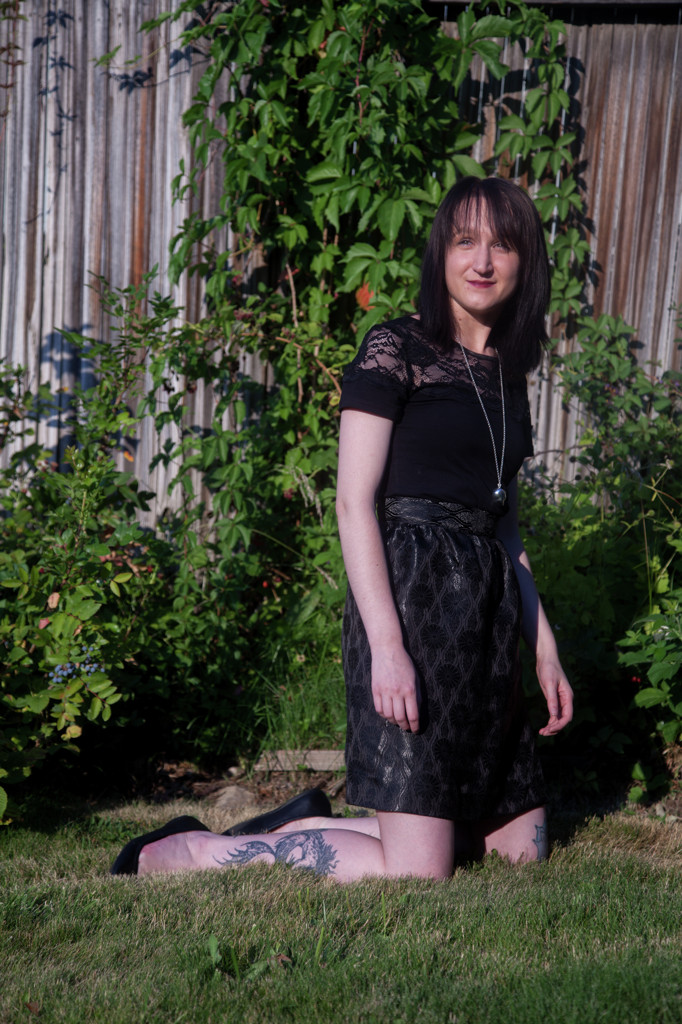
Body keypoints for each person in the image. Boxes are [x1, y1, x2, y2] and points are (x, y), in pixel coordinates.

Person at [111, 176, 573, 882]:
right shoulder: (397, 345)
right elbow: (354, 503)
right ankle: (202, 850)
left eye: (502, 245)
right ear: (441, 254)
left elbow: (507, 531)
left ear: (525, 262)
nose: (482, 261)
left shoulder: (510, 378)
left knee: (520, 852)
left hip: (486, 619)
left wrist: (544, 649)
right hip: (412, 605)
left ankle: (307, 822)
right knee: (419, 875)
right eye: (465, 241)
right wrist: (387, 647)